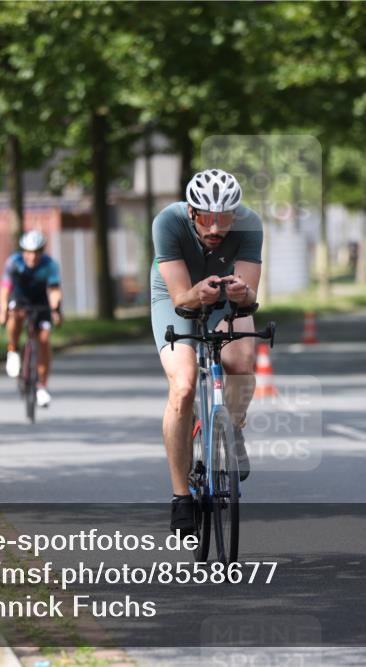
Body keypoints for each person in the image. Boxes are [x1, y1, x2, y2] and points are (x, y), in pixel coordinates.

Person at [151, 169, 263, 536]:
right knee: (183, 387)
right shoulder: (167, 221)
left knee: (241, 361)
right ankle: (181, 496)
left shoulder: (250, 224)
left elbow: (250, 299)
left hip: (223, 298)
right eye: (206, 218)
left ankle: (232, 427)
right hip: (177, 296)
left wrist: (241, 293)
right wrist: (197, 295)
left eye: (225, 219)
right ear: (191, 213)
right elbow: (182, 295)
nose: (215, 228)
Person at [0, 230, 63, 408]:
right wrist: (3, 309)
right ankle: (12, 350)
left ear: (42, 252)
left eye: (36, 252)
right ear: (23, 251)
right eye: (29, 252)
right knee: (15, 316)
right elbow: (5, 288)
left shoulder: (50, 265)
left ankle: (42, 386)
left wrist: (56, 309)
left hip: (41, 302)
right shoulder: (14, 262)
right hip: (20, 299)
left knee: (44, 340)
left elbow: (55, 290)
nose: (32, 256)